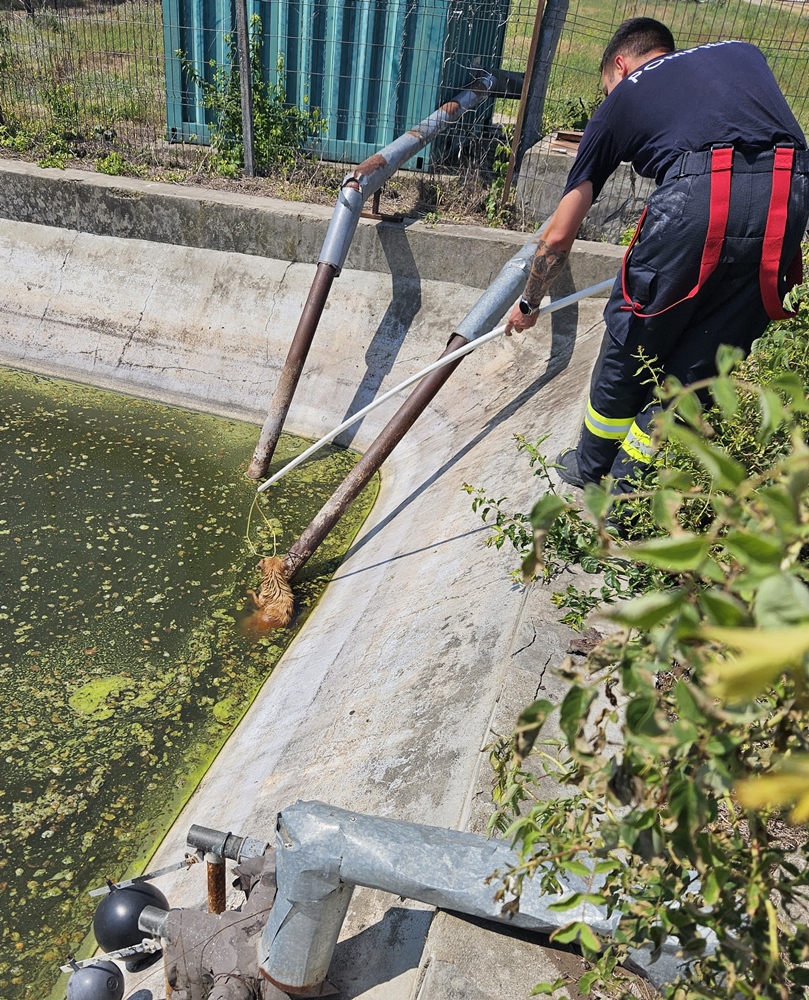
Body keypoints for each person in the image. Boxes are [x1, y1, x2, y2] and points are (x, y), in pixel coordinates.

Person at [504, 18, 809, 492]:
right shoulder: (741, 51)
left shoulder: (622, 97)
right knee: (709, 351)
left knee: (635, 336)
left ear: (620, 65)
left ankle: (591, 467)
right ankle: (631, 494)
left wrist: (529, 301)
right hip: (788, 195)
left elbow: (560, 232)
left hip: (697, 199)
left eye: (607, 86)